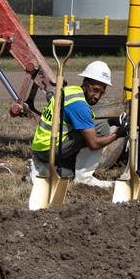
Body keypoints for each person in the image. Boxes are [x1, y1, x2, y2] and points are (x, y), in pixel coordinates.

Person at [29, 60, 126, 189]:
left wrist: (110, 121)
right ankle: (85, 178)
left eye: (102, 92)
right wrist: (118, 134)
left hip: (41, 146)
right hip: (49, 148)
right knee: (102, 129)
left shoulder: (71, 90)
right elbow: (94, 143)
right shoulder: (79, 106)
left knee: (68, 175)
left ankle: (42, 168)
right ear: (85, 84)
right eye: (95, 90)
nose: (97, 96)